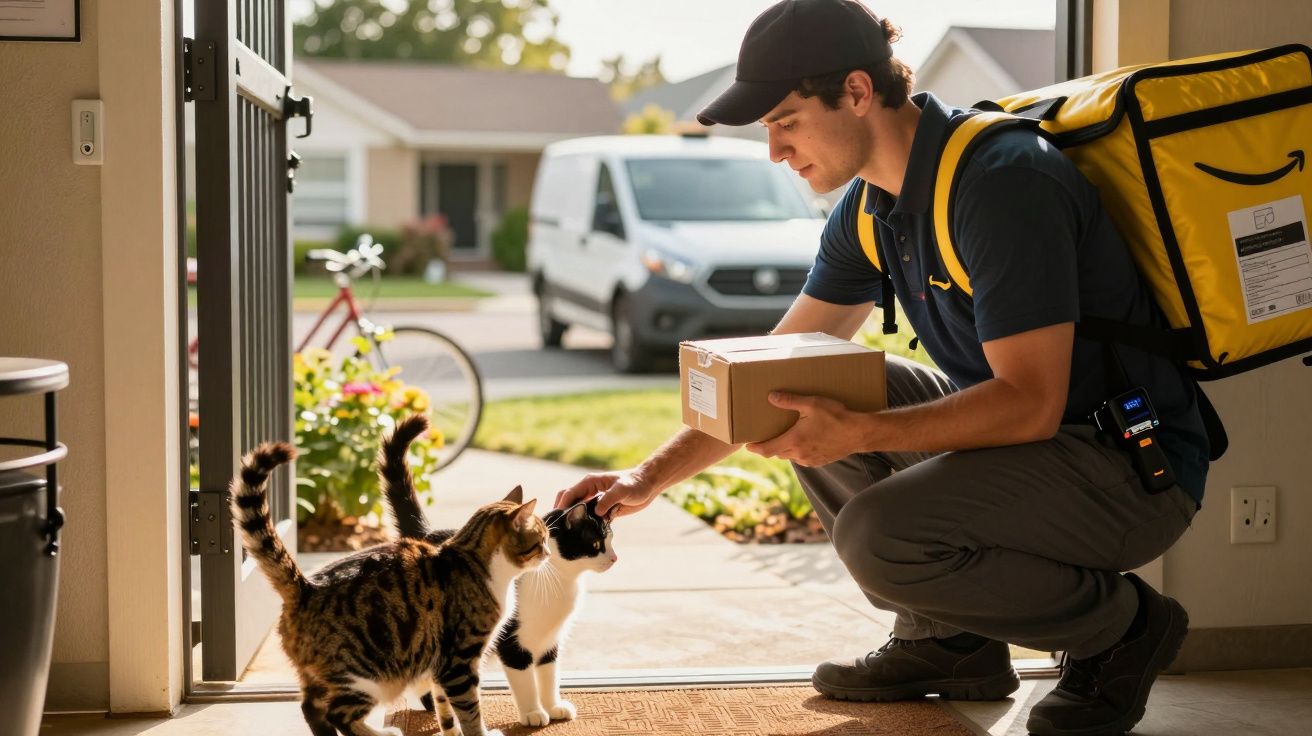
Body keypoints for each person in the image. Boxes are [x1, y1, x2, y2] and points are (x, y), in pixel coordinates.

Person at [555, 1, 1209, 734]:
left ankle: (1121, 630)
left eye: (785, 121)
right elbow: (764, 374)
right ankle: (948, 642)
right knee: (796, 385)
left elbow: (1028, 401)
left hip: (1127, 467)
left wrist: (860, 430)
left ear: (858, 93)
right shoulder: (870, 206)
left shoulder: (1000, 184)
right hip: (1036, 451)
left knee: (876, 533)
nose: (773, 151)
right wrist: (645, 479)